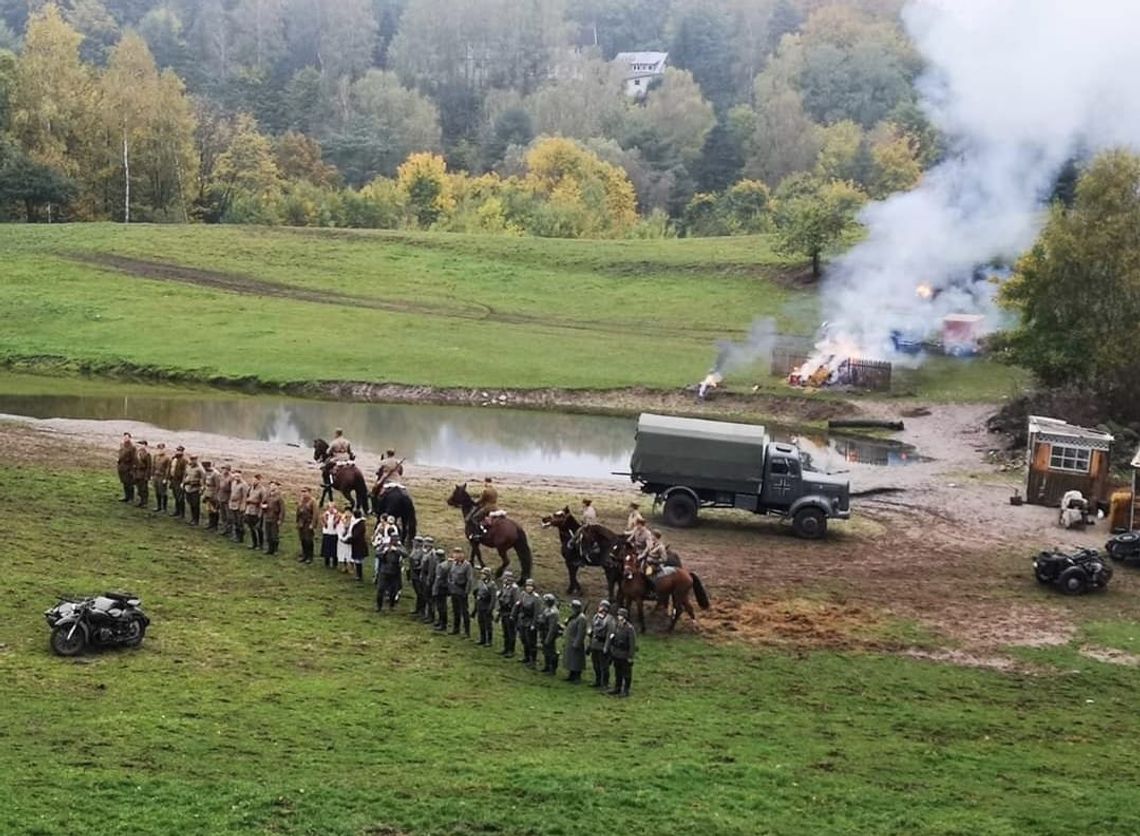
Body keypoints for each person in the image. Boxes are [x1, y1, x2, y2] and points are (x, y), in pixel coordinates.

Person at [605, 607, 638, 698]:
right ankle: (617, 687)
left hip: (624, 654)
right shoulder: (617, 626)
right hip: (616, 653)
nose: (619, 617)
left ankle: (626, 690)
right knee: (617, 672)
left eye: (621, 615)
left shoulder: (629, 628)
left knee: (626, 673)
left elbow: (632, 644)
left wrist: (630, 656)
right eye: (619, 615)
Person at [588, 600, 615, 689]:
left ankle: (605, 683)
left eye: (602, 606)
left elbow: (609, 634)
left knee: (604, 666)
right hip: (595, 643)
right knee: (595, 664)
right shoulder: (596, 617)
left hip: (603, 644)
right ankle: (598, 680)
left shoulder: (610, 620)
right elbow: (592, 629)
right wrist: (590, 643)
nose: (600, 608)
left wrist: (606, 647)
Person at [514, 578, 540, 668]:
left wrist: (534, 624)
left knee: (531, 642)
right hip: (523, 620)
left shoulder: (536, 598)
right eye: (527, 586)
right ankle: (526, 657)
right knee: (524, 639)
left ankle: (533, 660)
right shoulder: (523, 595)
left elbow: (537, 613)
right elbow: (519, 606)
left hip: (530, 620)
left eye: (530, 586)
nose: (528, 588)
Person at [448, 547, 473, 637]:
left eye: (458, 553)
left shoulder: (467, 565)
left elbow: (469, 580)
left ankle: (467, 632)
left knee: (464, 612)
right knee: (455, 611)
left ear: (462, 555)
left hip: (462, 590)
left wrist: (466, 592)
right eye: (455, 553)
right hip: (454, 590)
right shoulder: (454, 563)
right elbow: (450, 575)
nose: (456, 555)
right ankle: (456, 628)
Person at [376, 534, 404, 611]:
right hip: (384, 570)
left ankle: (391, 606)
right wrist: (384, 552)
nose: (395, 541)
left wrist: (396, 550)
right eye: (393, 540)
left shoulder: (399, 547)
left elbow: (405, 554)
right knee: (380, 589)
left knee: (393, 590)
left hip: (395, 571)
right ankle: (379, 606)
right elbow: (377, 554)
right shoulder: (385, 545)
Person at [563, 600, 587, 683]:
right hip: (570, 640)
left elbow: (581, 632)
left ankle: (577, 677)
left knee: (577, 660)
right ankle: (571, 674)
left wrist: (577, 643)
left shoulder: (581, 618)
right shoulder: (573, 616)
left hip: (576, 641)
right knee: (571, 660)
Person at [496, 571, 520, 657]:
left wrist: (513, 614)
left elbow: (516, 602)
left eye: (505, 578)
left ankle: (511, 650)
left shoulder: (514, 588)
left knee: (511, 632)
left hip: (510, 612)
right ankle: (506, 648)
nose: (504, 580)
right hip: (503, 611)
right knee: (505, 631)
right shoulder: (504, 587)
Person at [538, 593, 562, 674]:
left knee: (551, 651)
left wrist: (548, 638)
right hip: (544, 631)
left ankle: (552, 669)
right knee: (546, 651)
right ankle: (547, 666)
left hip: (549, 632)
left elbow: (552, 627)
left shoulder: (553, 612)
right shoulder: (547, 609)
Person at [472, 568, 497, 647]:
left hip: (486, 605)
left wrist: (490, 608)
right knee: (481, 623)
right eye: (481, 574)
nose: (482, 575)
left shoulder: (492, 585)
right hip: (480, 605)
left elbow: (493, 598)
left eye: (484, 574)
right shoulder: (480, 582)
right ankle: (482, 639)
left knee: (488, 625)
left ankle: (489, 641)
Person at [244, 473, 266, 550]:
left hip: (257, 511)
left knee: (258, 528)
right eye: (253, 479)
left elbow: (263, 501)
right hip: (249, 510)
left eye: (255, 480)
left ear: (259, 481)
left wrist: (260, 512)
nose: (253, 481)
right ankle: (254, 543)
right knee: (251, 528)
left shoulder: (262, 490)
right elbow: (247, 496)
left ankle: (261, 544)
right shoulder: (250, 488)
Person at [432, 548, 452, 631]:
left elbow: (438, 578)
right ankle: (441, 622)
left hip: (440, 587)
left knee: (441, 607)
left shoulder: (441, 566)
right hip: (446, 587)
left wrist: (434, 589)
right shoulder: (447, 564)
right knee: (442, 606)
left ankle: (442, 623)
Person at [263, 480, 285, 555]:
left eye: (273, 485)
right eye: (270, 485)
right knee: (268, 534)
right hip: (267, 516)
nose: (271, 487)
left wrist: (280, 519)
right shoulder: (267, 495)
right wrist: (263, 507)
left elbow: (282, 510)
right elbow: (263, 503)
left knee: (274, 534)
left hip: (274, 517)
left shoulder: (279, 497)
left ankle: (275, 549)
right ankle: (270, 549)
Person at [296, 486, 317, 563]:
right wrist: (297, 521)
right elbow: (298, 512)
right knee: (303, 539)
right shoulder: (301, 501)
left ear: (309, 492)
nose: (303, 494)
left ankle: (310, 556)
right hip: (301, 523)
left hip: (308, 523)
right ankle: (304, 554)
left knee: (309, 540)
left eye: (305, 492)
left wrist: (313, 524)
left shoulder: (312, 501)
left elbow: (315, 514)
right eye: (302, 492)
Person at [183, 454, 206, 526]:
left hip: (195, 488)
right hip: (188, 487)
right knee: (190, 503)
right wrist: (183, 483)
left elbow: (203, 478)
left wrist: (202, 488)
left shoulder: (200, 469)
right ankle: (192, 518)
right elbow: (185, 475)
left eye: (194, 459)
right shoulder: (188, 466)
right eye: (191, 459)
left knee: (195, 504)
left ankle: (196, 520)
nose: (192, 461)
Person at [419, 542, 439, 624]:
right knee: (426, 597)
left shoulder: (432, 555)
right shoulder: (426, 553)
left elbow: (431, 568)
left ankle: (431, 616)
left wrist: (429, 579)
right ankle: (427, 614)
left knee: (430, 599)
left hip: (429, 577)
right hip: (425, 575)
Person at [407, 536, 425, 618]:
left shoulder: (422, 552)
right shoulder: (414, 550)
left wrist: (415, 568)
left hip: (418, 575)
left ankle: (421, 610)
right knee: (418, 593)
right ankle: (418, 609)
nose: (413, 542)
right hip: (413, 574)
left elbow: (421, 565)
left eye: (415, 541)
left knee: (420, 593)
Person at [348, 508, 368, 581]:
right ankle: (358, 574)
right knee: (357, 559)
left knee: (358, 560)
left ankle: (359, 575)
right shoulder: (359, 523)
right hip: (357, 543)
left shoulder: (360, 524)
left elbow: (356, 535)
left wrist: (349, 540)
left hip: (359, 544)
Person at [132, 440, 153, 509]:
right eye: (139, 445)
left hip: (143, 473)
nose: (140, 446)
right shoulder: (137, 453)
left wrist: (147, 476)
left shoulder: (147, 454)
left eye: (141, 445)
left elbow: (149, 466)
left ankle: (145, 502)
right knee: (139, 488)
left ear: (145, 445)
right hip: (137, 473)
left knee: (144, 488)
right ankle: (141, 501)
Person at [228, 470, 248, 543]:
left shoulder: (244, 485)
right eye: (235, 476)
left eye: (238, 476)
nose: (236, 478)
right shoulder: (233, 483)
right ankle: (236, 535)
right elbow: (232, 493)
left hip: (239, 505)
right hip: (233, 505)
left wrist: (243, 506)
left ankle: (240, 537)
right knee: (235, 521)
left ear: (241, 476)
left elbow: (244, 497)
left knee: (240, 522)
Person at [169, 446, 188, 519]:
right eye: (177, 450)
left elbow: (185, 472)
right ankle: (177, 511)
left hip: (179, 480)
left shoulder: (184, 460)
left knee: (180, 497)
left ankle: (181, 513)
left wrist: (183, 482)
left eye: (180, 451)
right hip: (173, 479)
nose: (178, 452)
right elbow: (171, 468)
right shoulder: (174, 459)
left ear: (182, 452)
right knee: (176, 496)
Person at [116, 432, 136, 503]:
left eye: (127, 437)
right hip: (122, 467)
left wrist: (132, 469)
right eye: (124, 437)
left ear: (130, 438)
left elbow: (134, 459)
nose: (125, 439)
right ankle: (126, 496)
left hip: (128, 467)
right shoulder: (122, 445)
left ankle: (131, 498)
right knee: (124, 482)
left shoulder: (132, 447)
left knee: (129, 483)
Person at [151, 442, 170, 512]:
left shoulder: (167, 458)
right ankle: (158, 506)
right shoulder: (155, 456)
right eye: (159, 449)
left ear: (164, 449)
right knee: (157, 491)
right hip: (156, 476)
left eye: (162, 449)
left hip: (162, 476)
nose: (160, 450)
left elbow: (168, 469)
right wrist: (152, 475)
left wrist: (166, 478)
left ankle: (164, 508)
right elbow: (153, 466)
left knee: (163, 492)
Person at [320, 502, 339, 568]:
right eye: (330, 507)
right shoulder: (325, 515)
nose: (331, 509)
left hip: (334, 534)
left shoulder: (337, 515)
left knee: (334, 549)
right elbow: (322, 521)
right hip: (327, 533)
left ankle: (334, 563)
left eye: (332, 507)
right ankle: (327, 562)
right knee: (326, 549)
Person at [202, 461, 220, 530]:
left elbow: (217, 486)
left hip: (213, 493)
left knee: (214, 510)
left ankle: (215, 525)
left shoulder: (215, 474)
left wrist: (215, 495)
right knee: (209, 509)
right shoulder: (206, 473)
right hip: (207, 492)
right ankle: (210, 524)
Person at [217, 464, 233, 537]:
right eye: (223, 469)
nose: (224, 470)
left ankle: (229, 530)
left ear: (228, 470)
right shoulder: (221, 476)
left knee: (229, 516)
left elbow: (232, 489)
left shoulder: (231, 478)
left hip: (227, 499)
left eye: (225, 469)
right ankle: (224, 529)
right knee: (223, 515)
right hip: (221, 497)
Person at [335, 507, 353, 573]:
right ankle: (343, 566)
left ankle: (350, 567)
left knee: (349, 554)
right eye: (346, 512)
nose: (347, 514)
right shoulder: (341, 520)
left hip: (349, 540)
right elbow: (338, 528)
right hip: (342, 539)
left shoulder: (353, 521)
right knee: (342, 553)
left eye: (349, 512)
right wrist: (341, 537)